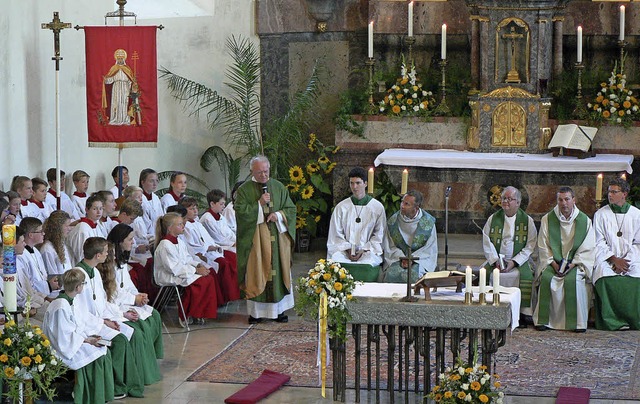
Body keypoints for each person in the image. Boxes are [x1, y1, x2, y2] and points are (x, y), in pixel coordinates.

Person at [74, 236, 144, 398]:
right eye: (106, 252)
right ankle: (116, 386)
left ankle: (126, 382)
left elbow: (102, 302)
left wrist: (116, 316)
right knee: (119, 342)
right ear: (98, 255)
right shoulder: (78, 276)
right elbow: (81, 312)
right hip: (86, 327)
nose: (108, 255)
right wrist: (103, 322)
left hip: (99, 321)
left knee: (129, 334)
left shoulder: (95, 273)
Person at [235, 155, 296, 324]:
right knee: (257, 270)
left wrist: (279, 215)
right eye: (259, 172)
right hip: (256, 238)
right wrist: (259, 204)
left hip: (277, 236)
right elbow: (240, 212)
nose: (263, 175)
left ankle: (280, 311)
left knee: (278, 271)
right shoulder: (244, 190)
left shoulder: (278, 186)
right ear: (252, 171)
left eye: (266, 171)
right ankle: (256, 313)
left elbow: (290, 209)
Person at [100, 225, 163, 385]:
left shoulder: (120, 259)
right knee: (140, 329)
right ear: (120, 242)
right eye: (129, 239)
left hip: (125, 301)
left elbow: (126, 285)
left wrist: (138, 296)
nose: (133, 242)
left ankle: (150, 363)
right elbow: (112, 292)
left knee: (153, 315)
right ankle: (141, 372)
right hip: (115, 305)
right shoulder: (109, 263)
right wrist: (133, 300)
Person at [43, 268, 116, 404]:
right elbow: (63, 337)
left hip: (73, 342)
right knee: (95, 354)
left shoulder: (71, 300)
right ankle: (86, 396)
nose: (83, 286)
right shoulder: (60, 306)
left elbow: (77, 325)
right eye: (83, 284)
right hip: (62, 348)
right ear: (78, 287)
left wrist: (89, 338)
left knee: (102, 350)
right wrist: (86, 340)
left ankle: (98, 395)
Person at [533, 186, 595, 332]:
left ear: (574, 200)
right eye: (560, 200)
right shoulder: (547, 219)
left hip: (575, 263)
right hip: (553, 262)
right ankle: (544, 320)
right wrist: (553, 264)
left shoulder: (585, 221)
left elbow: (587, 247)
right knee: (548, 278)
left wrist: (572, 264)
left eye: (567, 199)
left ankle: (577, 323)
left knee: (574, 281)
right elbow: (543, 246)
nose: (563, 203)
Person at [154, 212, 223, 325]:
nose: (183, 226)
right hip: (169, 274)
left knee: (208, 278)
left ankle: (198, 313)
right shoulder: (165, 245)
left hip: (183, 271)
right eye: (180, 224)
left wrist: (198, 265)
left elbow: (187, 259)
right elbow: (174, 268)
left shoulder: (179, 242)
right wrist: (195, 271)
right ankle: (186, 313)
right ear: (170, 228)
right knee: (200, 282)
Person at [482, 186, 537, 320]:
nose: (505, 201)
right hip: (497, 260)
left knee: (524, 276)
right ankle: (490, 310)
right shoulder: (493, 219)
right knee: (484, 273)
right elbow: (486, 240)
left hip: (519, 261)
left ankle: (523, 313)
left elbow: (531, 244)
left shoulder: (527, 220)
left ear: (518, 202)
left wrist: (514, 262)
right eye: (503, 198)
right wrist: (495, 261)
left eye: (509, 199)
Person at [593, 178, 640, 330]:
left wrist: (625, 261)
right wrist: (614, 260)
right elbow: (598, 242)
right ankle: (612, 322)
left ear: (624, 194)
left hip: (631, 260)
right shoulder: (600, 214)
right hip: (607, 260)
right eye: (609, 192)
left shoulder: (637, 215)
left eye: (614, 192)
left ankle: (633, 321)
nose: (610, 195)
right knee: (604, 278)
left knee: (636, 279)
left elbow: (638, 243)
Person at [327, 167, 386, 281]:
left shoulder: (377, 208)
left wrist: (363, 250)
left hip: (367, 251)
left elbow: (379, 236)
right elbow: (335, 235)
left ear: (365, 183)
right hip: (344, 251)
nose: (354, 187)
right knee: (336, 261)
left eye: (358, 183)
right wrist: (348, 249)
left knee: (368, 263)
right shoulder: (342, 207)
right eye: (351, 183)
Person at [180, 196, 240, 304]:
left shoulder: (197, 223)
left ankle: (228, 296)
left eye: (196, 208)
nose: (195, 211)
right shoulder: (186, 226)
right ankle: (221, 299)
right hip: (202, 254)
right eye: (191, 209)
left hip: (212, 251)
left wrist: (213, 246)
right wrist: (209, 248)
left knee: (225, 262)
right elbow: (192, 246)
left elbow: (208, 239)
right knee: (222, 264)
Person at [382, 190, 437, 283]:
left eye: (406, 204)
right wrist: (402, 258)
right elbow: (389, 246)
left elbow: (429, 248)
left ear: (416, 207)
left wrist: (411, 259)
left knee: (415, 275)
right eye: (402, 202)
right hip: (397, 258)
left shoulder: (428, 223)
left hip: (420, 260)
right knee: (391, 274)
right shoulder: (393, 221)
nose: (402, 206)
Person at [66, 194, 104, 264]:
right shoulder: (82, 229)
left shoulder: (97, 226)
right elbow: (81, 255)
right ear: (86, 210)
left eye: (101, 208)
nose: (99, 212)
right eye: (95, 209)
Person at [103, 48, 136, 126]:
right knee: (116, 103)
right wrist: (106, 79)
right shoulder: (113, 68)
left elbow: (130, 80)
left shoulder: (127, 69)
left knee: (124, 102)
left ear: (124, 59)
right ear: (117, 59)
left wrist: (132, 83)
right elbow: (110, 79)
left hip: (125, 88)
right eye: (119, 58)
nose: (120, 60)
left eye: (121, 58)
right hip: (116, 87)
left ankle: (125, 119)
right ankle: (115, 119)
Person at [40, 210, 74, 275]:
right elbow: (53, 277)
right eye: (67, 226)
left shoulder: (62, 244)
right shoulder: (47, 249)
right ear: (58, 227)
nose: (69, 229)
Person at [139, 168, 164, 237]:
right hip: (145, 236)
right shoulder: (139, 199)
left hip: (158, 234)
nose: (155, 184)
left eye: (156, 181)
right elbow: (144, 222)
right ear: (142, 182)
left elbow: (161, 217)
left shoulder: (156, 198)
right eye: (151, 181)